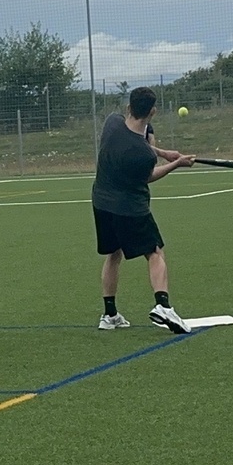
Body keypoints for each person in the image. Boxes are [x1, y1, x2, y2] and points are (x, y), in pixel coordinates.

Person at [92, 85, 196, 333]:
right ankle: (163, 306)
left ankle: (110, 315)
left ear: (129, 107)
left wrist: (163, 152)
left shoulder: (112, 123)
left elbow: (137, 141)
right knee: (155, 252)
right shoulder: (142, 155)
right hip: (130, 207)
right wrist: (176, 164)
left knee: (113, 254)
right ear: (153, 112)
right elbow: (148, 176)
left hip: (101, 202)